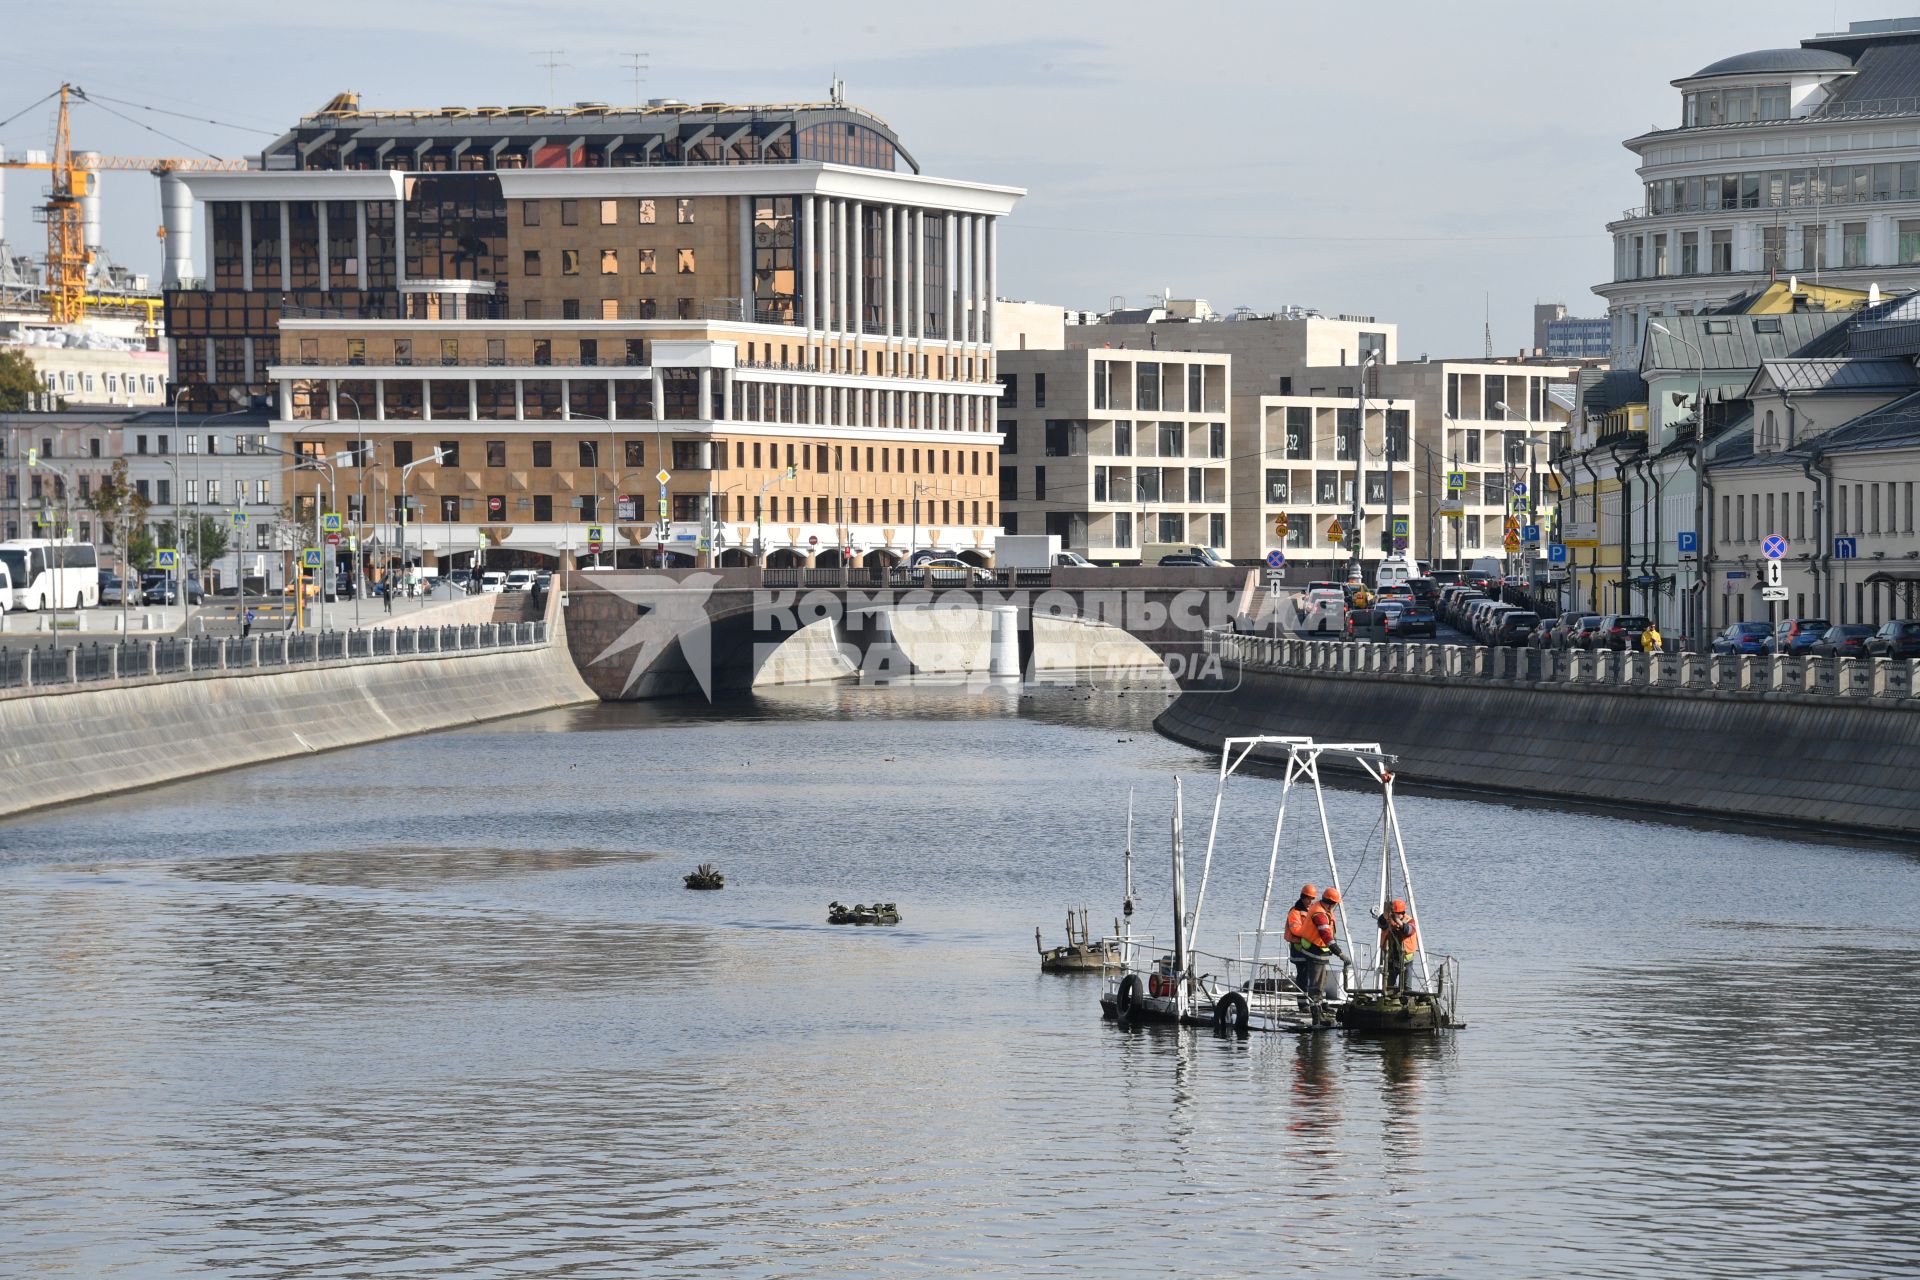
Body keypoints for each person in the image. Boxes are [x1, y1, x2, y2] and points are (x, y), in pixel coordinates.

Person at [1306, 887, 1347, 1007]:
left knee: (1321, 983)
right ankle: (1316, 1017)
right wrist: (1339, 953)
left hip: (1320, 952)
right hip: (1315, 952)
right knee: (1316, 985)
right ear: (1331, 903)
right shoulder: (1319, 914)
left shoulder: (1322, 909)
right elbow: (1326, 936)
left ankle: (1321, 1008)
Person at [1284, 884, 1320, 1010]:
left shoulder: (1311, 910)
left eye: (1312, 898)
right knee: (1303, 977)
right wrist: (1311, 934)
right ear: (1303, 897)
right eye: (1309, 898)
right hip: (1299, 950)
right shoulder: (1295, 912)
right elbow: (1295, 930)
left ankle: (1314, 1002)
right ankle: (1302, 1004)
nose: (1311, 901)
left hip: (1309, 949)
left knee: (1312, 977)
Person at [1375, 898, 1418, 993]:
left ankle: (1405, 1002)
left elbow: (1408, 930)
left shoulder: (1409, 921)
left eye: (1394, 913)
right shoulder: (1388, 920)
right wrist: (1385, 914)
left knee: (1407, 989)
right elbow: (1381, 924)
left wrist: (1399, 922)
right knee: (1389, 988)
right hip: (1391, 960)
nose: (1392, 915)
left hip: (1406, 961)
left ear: (1401, 913)